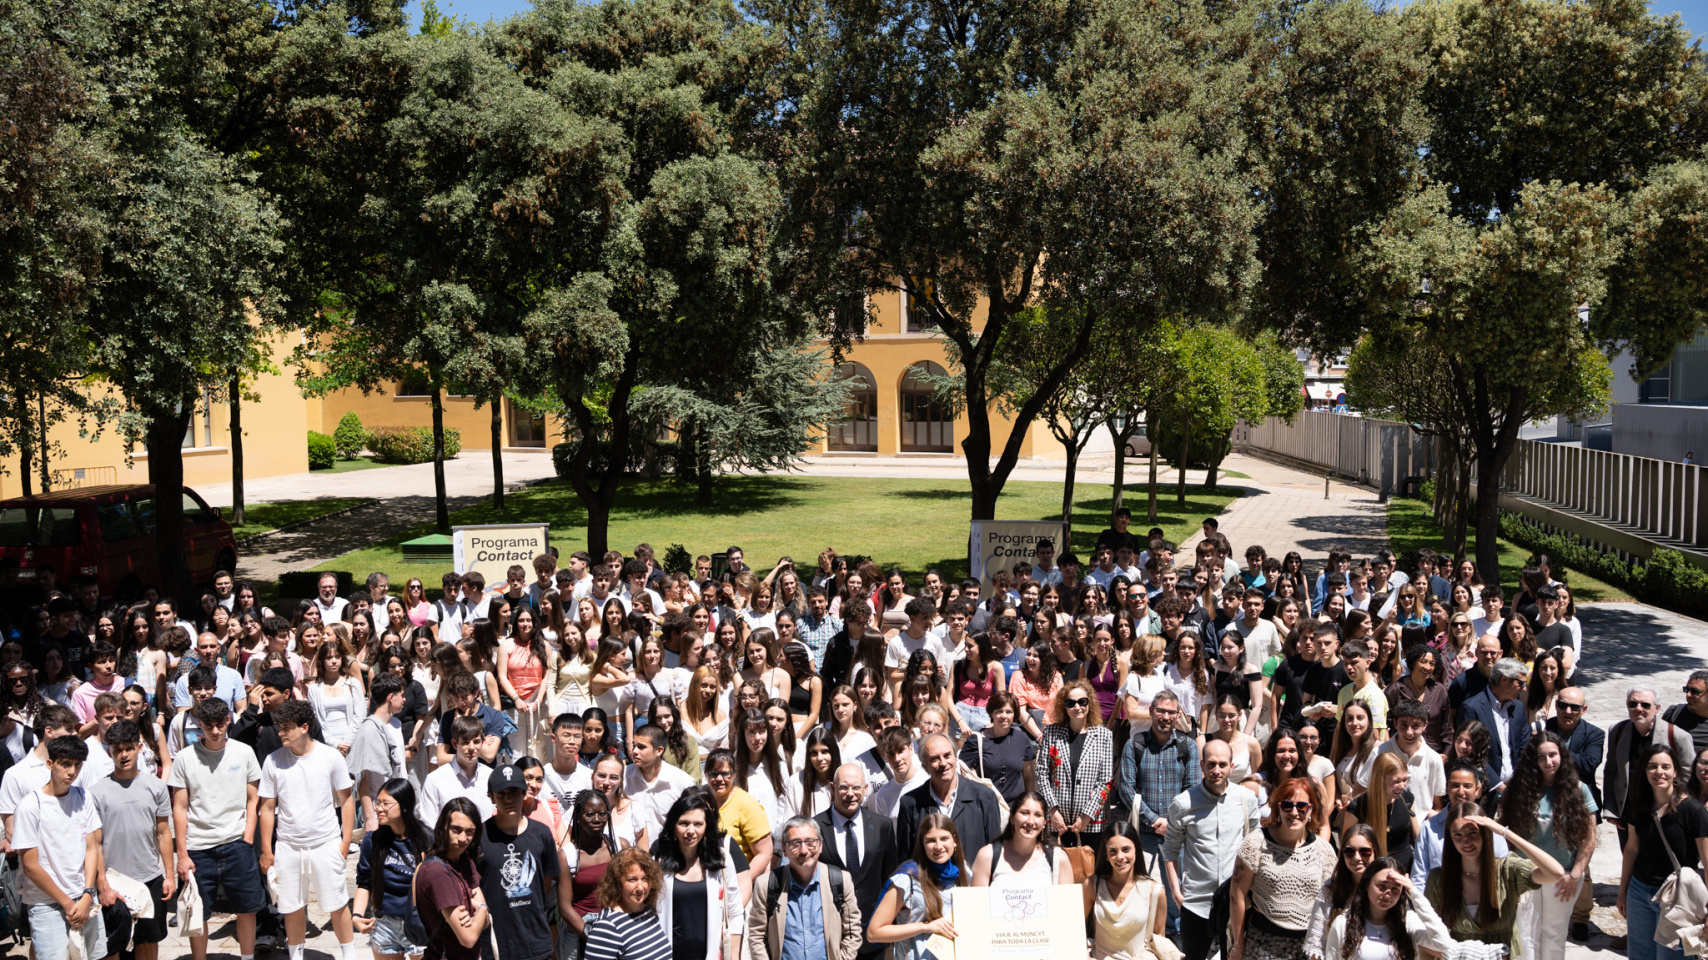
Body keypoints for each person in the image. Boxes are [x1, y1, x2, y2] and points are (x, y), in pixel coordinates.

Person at [258, 699, 358, 960]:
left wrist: (345, 841)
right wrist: (267, 850)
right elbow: (267, 808)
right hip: (288, 846)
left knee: (337, 904)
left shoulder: (330, 757)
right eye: (280, 727)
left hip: (326, 843)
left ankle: (349, 955)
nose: (281, 733)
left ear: (304, 727)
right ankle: (296, 956)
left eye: (286, 728)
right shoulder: (272, 761)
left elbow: (347, 800)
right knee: (291, 907)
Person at [168, 697, 264, 960]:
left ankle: (247, 958)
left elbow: (253, 799)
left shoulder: (244, 752)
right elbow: (179, 807)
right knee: (198, 912)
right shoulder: (185, 758)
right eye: (208, 725)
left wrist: (247, 839)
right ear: (199, 724)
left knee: (247, 908)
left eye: (220, 724)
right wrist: (182, 853)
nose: (215, 731)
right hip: (199, 846)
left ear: (228, 721)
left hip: (237, 843)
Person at [1496, 733, 1596, 960]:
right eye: (1541, 757)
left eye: (1553, 755)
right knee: (1524, 936)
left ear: (1562, 756)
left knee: (1554, 935)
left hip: (1563, 877)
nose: (1548, 761)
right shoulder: (1518, 789)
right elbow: (1505, 833)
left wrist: (1575, 875)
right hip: (1525, 874)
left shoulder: (1579, 790)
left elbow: (1589, 838)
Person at [1425, 803, 1564, 956]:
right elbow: (1429, 933)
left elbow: (1555, 873)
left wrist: (1505, 832)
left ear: (1485, 833)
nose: (1466, 841)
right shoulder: (1439, 878)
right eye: (1457, 835)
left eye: (1472, 833)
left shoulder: (1507, 870)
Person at [1165, 738, 1260, 959]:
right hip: (1196, 902)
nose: (1217, 770)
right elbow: (1170, 850)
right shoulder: (1183, 803)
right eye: (1211, 764)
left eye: (1222, 764)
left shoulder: (1246, 799)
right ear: (1202, 765)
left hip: (1235, 901)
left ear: (1232, 766)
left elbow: (1256, 847)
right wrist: (1176, 893)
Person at [89, 719, 174, 960]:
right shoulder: (96, 793)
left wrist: (169, 876)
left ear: (139, 747)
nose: (124, 755)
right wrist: (102, 885)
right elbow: (94, 844)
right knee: (112, 947)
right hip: (113, 882)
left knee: (148, 941)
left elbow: (163, 832)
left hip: (149, 877)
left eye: (128, 748)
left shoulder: (156, 787)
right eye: (117, 750)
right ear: (109, 752)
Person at [1118, 688, 1198, 937]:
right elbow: (1126, 790)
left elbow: (1193, 791)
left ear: (1178, 715)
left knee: (1176, 891)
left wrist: (1171, 824)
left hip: (1178, 836)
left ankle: (1173, 940)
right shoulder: (1135, 745)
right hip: (1143, 835)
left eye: (1171, 712)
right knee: (1143, 890)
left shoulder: (1188, 746)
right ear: (1151, 711)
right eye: (1161, 711)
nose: (1166, 717)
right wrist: (1155, 820)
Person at [1228, 777, 1336, 960]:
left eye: (1301, 807)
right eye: (1287, 806)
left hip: (1307, 948)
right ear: (1278, 808)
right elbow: (1236, 895)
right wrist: (1238, 945)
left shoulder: (1324, 851)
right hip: (1262, 944)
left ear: (1311, 809)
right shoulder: (1255, 843)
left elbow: (1330, 903)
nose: (1294, 812)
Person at [1620, 743, 1708, 960]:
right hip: (1639, 892)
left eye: (1665, 767)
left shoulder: (1693, 811)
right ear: (1645, 771)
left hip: (1677, 897)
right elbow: (1631, 849)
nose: (1659, 772)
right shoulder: (1638, 804)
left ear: (1675, 772)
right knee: (1639, 956)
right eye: (1652, 766)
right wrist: (1623, 892)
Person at [744, 817, 864, 960]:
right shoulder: (767, 884)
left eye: (810, 842)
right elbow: (756, 935)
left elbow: (852, 931)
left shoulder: (840, 881)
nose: (803, 850)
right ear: (784, 849)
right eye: (795, 844)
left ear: (820, 845)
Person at [815, 762, 899, 960]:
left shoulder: (882, 826)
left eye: (856, 787)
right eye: (844, 787)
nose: (850, 794)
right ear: (833, 788)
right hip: (830, 936)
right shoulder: (816, 827)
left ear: (866, 789)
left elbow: (890, 879)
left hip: (872, 934)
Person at [479, 763, 561, 960]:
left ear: (524, 793)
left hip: (536, 941)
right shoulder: (479, 837)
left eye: (514, 793)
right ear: (491, 797)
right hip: (497, 944)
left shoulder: (542, 834)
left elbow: (544, 886)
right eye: (501, 794)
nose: (508, 799)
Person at [651, 790, 745, 960]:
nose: (690, 830)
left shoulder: (721, 859)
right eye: (684, 823)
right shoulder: (659, 861)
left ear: (706, 828)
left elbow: (735, 912)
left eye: (698, 824)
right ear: (673, 827)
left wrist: (734, 955)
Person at [1319, 856, 1463, 960]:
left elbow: (1443, 943)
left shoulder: (1408, 922)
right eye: (1381, 886)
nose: (1388, 893)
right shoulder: (1343, 923)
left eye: (1395, 888)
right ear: (1367, 884)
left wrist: (1414, 892)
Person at [866, 811, 967, 960]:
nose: (938, 846)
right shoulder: (907, 879)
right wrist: (925, 927)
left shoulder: (965, 874)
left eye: (944, 838)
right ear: (922, 844)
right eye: (931, 840)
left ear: (954, 841)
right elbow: (874, 933)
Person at [1606, 684, 1694, 848]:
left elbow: (1689, 777)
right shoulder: (1617, 731)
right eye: (1633, 704)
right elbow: (1611, 771)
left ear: (1657, 708)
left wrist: (1678, 808)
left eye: (1645, 705)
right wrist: (1611, 810)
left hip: (1663, 812)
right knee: (1630, 856)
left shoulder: (1677, 736)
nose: (1638, 709)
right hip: (1628, 813)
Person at [353, 778, 432, 960]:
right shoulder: (372, 841)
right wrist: (357, 915)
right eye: (378, 803)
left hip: (419, 921)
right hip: (384, 924)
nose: (379, 808)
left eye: (386, 803)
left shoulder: (427, 839)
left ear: (404, 806)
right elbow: (364, 883)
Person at [894, 734, 1003, 858]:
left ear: (956, 758)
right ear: (925, 766)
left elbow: (995, 852)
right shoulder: (911, 804)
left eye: (947, 755)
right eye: (935, 759)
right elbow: (905, 859)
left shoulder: (984, 797)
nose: (943, 763)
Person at [1037, 679, 1115, 845]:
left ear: (1089, 703)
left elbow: (1106, 781)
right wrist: (1053, 811)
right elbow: (1042, 774)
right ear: (1064, 707)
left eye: (1082, 702)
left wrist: (1087, 815)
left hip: (1091, 822)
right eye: (1071, 703)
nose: (1077, 707)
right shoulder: (1051, 733)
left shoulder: (1104, 736)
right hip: (1057, 822)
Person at [414, 798, 490, 960]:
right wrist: (482, 910)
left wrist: (479, 915)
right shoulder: (437, 872)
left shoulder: (466, 862)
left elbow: (486, 923)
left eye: (470, 832)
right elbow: (468, 938)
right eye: (456, 830)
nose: (463, 838)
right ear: (444, 828)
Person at [1085, 822, 1165, 960]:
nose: (1120, 857)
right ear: (1106, 854)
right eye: (1113, 851)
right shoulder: (1092, 885)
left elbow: (1160, 941)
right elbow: (1075, 927)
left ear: (1136, 850)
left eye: (1126, 849)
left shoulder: (1155, 891)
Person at [969, 790, 1076, 887]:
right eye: (1024, 813)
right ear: (1012, 817)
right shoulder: (987, 856)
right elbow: (977, 902)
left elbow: (1067, 903)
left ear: (1044, 822)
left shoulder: (1059, 859)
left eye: (1037, 815)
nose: (1030, 821)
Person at [581, 847, 671, 960]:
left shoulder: (648, 911)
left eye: (645, 878)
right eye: (632, 880)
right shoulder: (608, 926)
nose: (640, 887)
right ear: (617, 882)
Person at [1455, 657, 1529, 795]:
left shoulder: (1518, 708)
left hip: (1515, 788)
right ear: (1504, 680)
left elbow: (1524, 747)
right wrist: (1499, 787)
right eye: (1520, 683)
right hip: (1485, 791)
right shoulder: (1471, 708)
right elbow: (1470, 753)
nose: (1524, 688)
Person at [957, 691, 1034, 808]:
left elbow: (1029, 776)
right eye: (999, 711)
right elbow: (961, 775)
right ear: (991, 713)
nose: (1004, 716)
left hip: (1016, 808)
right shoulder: (976, 741)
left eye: (1009, 712)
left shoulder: (1022, 739)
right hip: (986, 807)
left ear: (1014, 714)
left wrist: (1030, 802)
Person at [1376, 699, 1445, 824]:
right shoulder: (1378, 754)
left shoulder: (1434, 760)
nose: (1409, 732)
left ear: (1425, 725)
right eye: (1403, 724)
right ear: (1395, 723)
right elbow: (1363, 791)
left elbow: (1437, 804)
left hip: (1420, 827)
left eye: (1415, 726)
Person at [419, 715, 495, 826]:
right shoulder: (435, 780)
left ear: (483, 742)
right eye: (465, 742)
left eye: (476, 742)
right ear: (455, 744)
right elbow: (428, 824)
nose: (471, 748)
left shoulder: (491, 777)